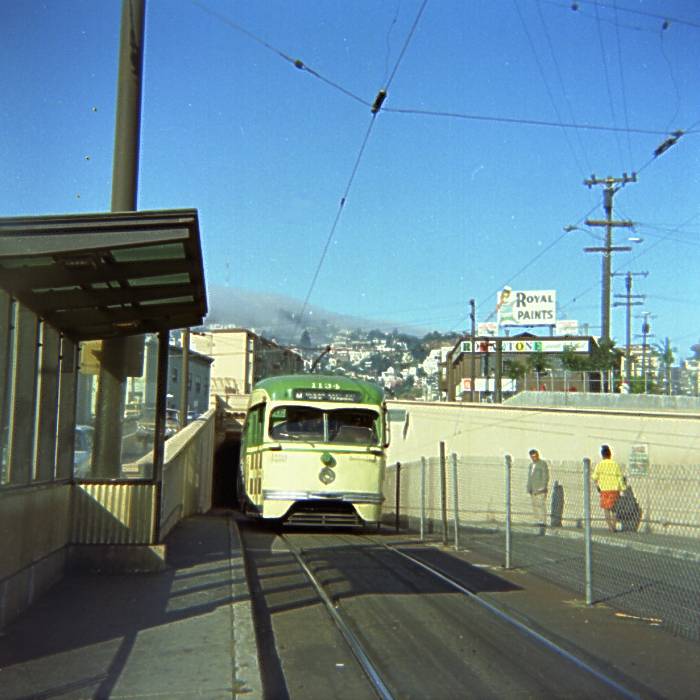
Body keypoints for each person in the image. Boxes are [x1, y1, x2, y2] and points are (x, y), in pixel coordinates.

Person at [592, 444, 626, 532]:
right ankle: (614, 526)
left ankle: (610, 527)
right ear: (610, 454)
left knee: (606, 509)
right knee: (614, 509)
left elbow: (594, 477)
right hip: (614, 490)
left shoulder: (599, 465)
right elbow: (620, 477)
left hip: (604, 490)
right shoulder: (615, 464)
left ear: (602, 455)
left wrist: (597, 484)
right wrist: (623, 487)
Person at [526, 448, 549, 533]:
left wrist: (542, 487)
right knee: (535, 505)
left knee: (541, 505)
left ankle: (543, 522)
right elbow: (530, 477)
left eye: (535, 456)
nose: (534, 458)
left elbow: (545, 476)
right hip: (533, 489)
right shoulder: (531, 465)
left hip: (540, 489)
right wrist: (529, 487)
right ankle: (537, 520)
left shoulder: (542, 464)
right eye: (532, 457)